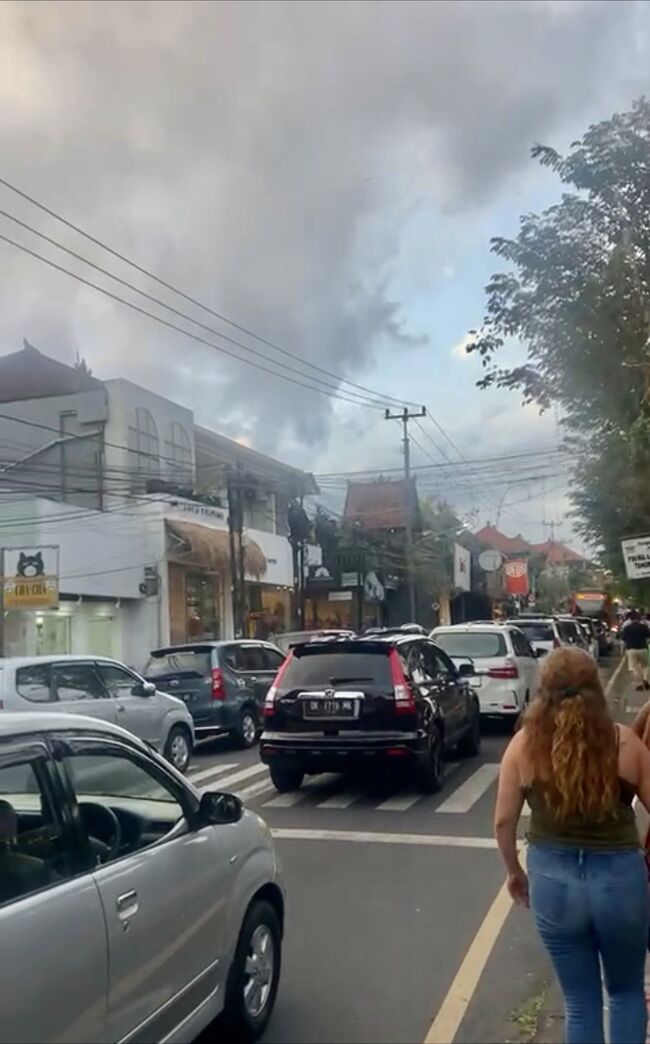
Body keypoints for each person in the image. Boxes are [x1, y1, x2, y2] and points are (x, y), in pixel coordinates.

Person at [494, 647, 650, 1044]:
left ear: (543, 692)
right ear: (596, 688)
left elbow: (503, 821)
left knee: (580, 1002)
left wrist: (514, 871)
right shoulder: (626, 744)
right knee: (627, 992)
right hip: (621, 882)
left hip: (554, 881)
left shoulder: (523, 746)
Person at [621, 609, 650, 691]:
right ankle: (646, 680)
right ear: (639, 618)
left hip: (631, 649)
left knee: (634, 668)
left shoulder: (627, 628)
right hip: (643, 648)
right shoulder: (644, 627)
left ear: (630, 619)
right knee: (646, 666)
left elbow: (623, 639)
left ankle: (639, 684)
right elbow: (648, 637)